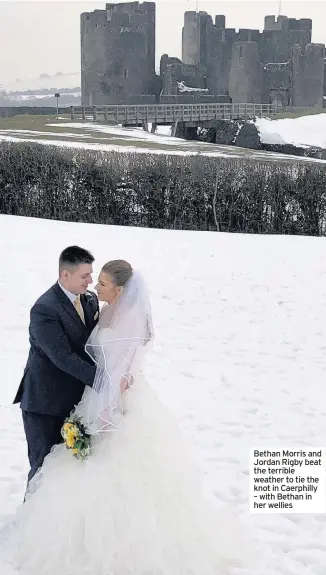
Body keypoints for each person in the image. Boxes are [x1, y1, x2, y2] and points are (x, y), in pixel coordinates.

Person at [3, 259, 256, 575]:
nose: (97, 287)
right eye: (95, 281)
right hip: (98, 395)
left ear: (120, 290)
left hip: (110, 403)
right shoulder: (106, 308)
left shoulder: (126, 321)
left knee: (111, 472)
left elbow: (121, 369)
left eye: (103, 283)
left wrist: (104, 418)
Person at [13, 246, 99, 484]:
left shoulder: (90, 301)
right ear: (65, 275)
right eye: (84, 276)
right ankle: (31, 522)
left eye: (91, 274)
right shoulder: (44, 309)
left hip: (75, 401)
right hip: (44, 405)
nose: (90, 281)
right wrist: (102, 380)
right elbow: (63, 356)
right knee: (42, 471)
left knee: (69, 474)